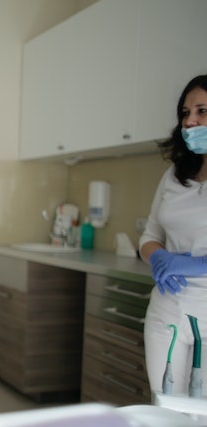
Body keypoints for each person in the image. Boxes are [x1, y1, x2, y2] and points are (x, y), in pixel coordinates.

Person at [140, 74, 207, 401]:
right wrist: (158, 257)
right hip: (167, 312)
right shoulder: (175, 174)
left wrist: (197, 265)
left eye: (202, 110)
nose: (190, 120)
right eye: (185, 112)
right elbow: (151, 234)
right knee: (164, 410)